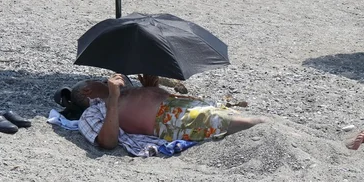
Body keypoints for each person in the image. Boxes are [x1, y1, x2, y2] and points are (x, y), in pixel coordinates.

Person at [71, 73, 267, 149]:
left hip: (178, 108)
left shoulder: (121, 92)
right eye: (100, 81)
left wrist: (151, 87)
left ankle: (267, 125)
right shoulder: (93, 112)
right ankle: (267, 125)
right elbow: (107, 142)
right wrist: (112, 100)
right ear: (88, 90)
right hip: (168, 120)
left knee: (229, 117)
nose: (106, 80)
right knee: (242, 123)